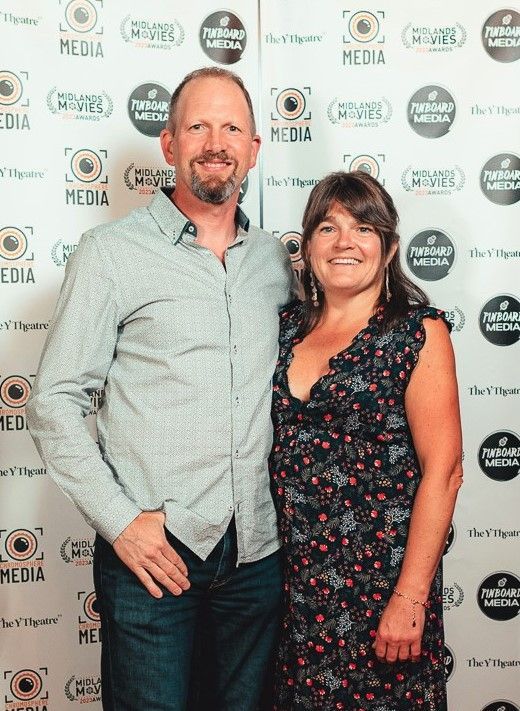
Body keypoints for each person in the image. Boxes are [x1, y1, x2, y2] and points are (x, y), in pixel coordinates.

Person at [26, 67, 294, 711]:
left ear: (254, 149)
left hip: (258, 557)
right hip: (153, 557)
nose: (216, 143)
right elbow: (53, 399)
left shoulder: (277, 263)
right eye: (197, 126)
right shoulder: (110, 253)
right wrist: (121, 524)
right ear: (169, 144)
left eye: (232, 129)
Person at [269, 171, 463, 710]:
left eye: (363, 228)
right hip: (291, 595)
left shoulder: (416, 333)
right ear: (308, 247)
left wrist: (410, 597)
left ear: (390, 247)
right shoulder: (283, 330)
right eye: (327, 228)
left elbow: (444, 471)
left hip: (382, 591)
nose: (344, 242)